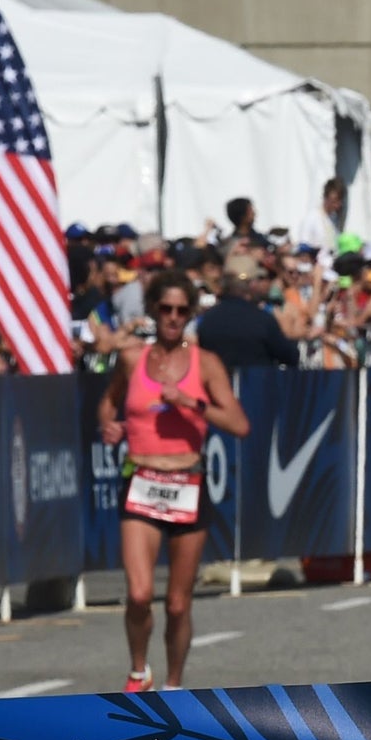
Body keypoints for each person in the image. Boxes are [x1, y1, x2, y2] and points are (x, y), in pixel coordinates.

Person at [98, 273, 247, 693]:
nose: (173, 317)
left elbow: (239, 424)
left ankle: (174, 685)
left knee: (178, 604)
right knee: (139, 593)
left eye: (182, 310)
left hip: (187, 484)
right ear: (153, 310)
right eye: (166, 309)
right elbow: (109, 402)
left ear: (191, 314)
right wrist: (109, 426)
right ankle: (139, 671)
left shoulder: (206, 363)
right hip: (141, 480)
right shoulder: (132, 358)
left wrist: (189, 402)